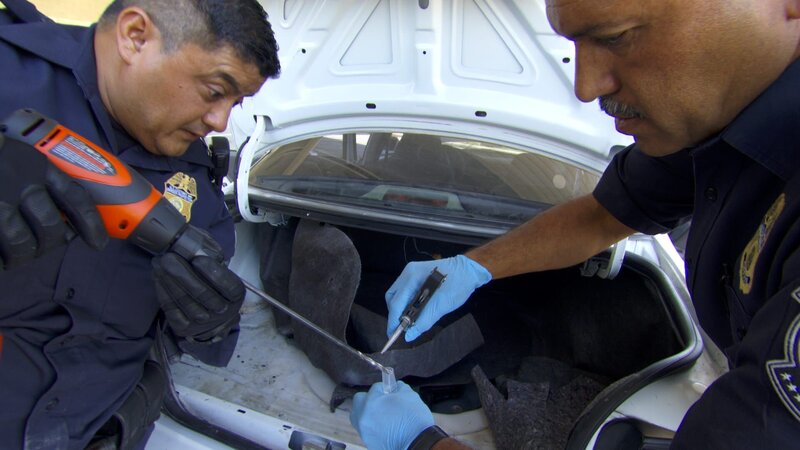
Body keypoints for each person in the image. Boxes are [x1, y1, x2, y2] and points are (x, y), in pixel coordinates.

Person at [350, 0, 800, 448]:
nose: (585, 87)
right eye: (574, 44)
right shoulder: (711, 121)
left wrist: (421, 443)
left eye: (614, 36)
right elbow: (604, 213)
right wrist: (472, 267)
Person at [0, 0, 280, 448]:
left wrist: (212, 324)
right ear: (135, 36)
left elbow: (201, 334)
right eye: (214, 90)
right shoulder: (10, 76)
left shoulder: (196, 187)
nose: (220, 121)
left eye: (237, 102)